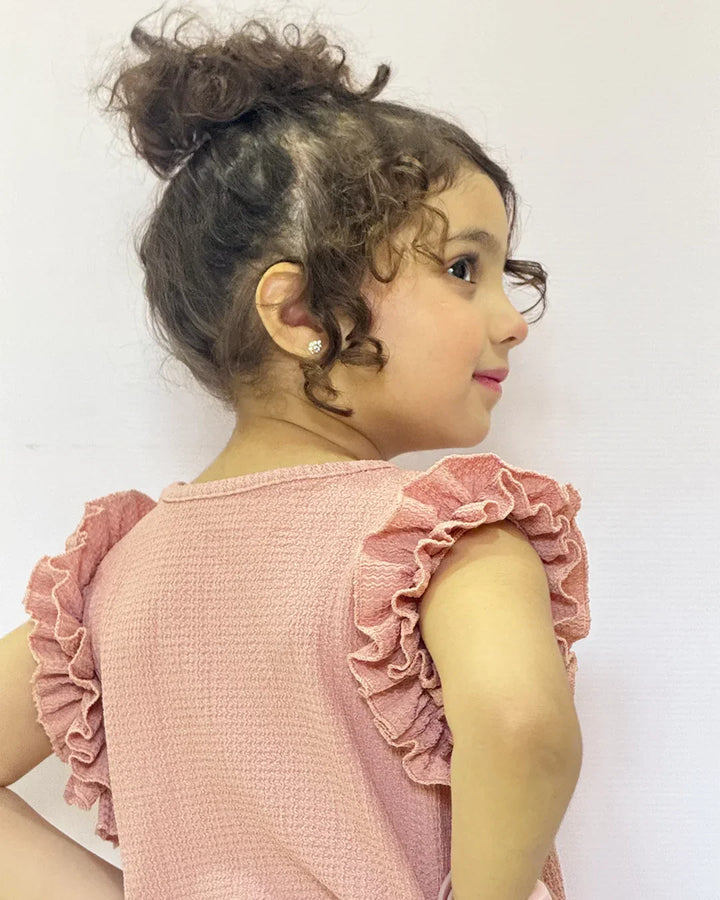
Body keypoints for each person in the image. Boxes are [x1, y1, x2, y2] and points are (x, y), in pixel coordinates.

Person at [7, 6, 591, 898]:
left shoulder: (118, 577)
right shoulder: (440, 537)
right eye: (465, 268)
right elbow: (522, 726)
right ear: (302, 314)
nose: (511, 320)